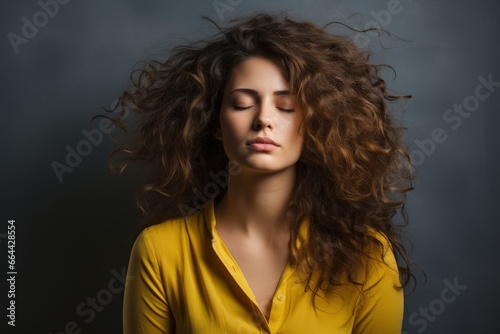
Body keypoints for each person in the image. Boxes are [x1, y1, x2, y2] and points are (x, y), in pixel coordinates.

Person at [111, 13, 414, 334]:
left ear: (316, 122)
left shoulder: (367, 255)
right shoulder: (160, 251)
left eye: (286, 106)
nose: (263, 120)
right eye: (242, 103)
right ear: (214, 122)